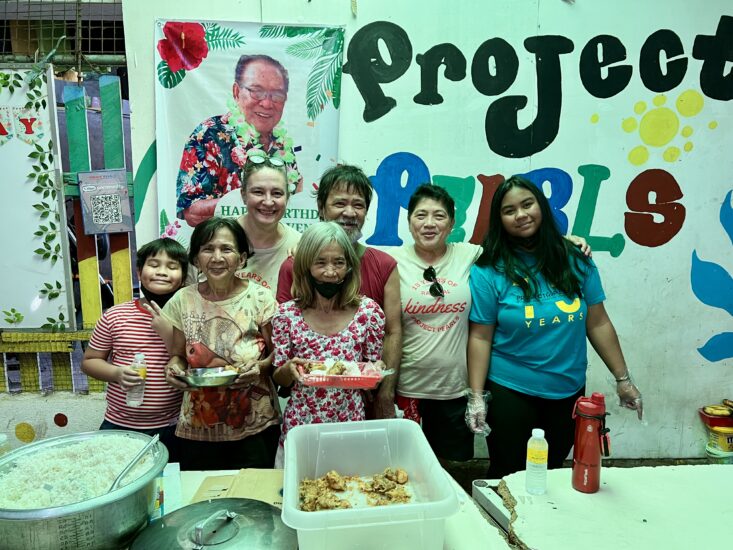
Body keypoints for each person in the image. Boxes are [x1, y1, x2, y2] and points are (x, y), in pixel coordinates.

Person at [465, 175, 643, 479]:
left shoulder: (575, 258)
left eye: (527, 204)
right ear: (499, 220)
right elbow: (481, 336)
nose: (520, 215)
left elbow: (598, 321)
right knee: (509, 473)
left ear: (542, 207)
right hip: (511, 387)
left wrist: (623, 379)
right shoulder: (488, 270)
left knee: (551, 471)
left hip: (568, 388)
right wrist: (477, 396)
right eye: (509, 210)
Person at [276, 164, 401, 419]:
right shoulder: (293, 266)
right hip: (307, 410)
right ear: (321, 208)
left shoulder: (384, 266)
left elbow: (392, 332)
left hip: (360, 405)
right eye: (340, 203)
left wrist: (385, 393)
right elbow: (283, 354)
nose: (349, 212)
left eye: (358, 205)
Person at [161, 217, 281, 470]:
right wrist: (173, 369)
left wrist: (259, 368)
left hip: (254, 426)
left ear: (242, 258)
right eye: (208, 249)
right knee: (201, 494)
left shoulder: (260, 297)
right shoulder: (183, 299)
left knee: (254, 492)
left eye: (226, 249)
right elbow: (178, 355)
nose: (217, 257)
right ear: (196, 259)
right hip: (199, 427)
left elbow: (278, 355)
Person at [271, 222, 386, 466]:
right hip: (301, 429)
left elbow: (371, 369)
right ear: (305, 266)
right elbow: (279, 377)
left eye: (339, 263)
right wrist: (289, 369)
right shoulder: (286, 315)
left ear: (349, 266)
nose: (330, 272)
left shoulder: (368, 313)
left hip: (350, 427)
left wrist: (376, 372)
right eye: (320, 262)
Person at [389, 184, 482, 464]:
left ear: (452, 224)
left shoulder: (469, 255)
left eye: (439, 216)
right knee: (405, 471)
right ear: (409, 222)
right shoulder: (391, 261)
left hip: (454, 390)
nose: (429, 223)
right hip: (407, 390)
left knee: (451, 471)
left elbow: (518, 248)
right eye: (421, 215)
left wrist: (568, 241)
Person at [82, 238, 188, 462]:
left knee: (169, 481)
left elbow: (192, 364)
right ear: (139, 272)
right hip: (119, 424)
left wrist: (168, 332)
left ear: (183, 278)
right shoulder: (115, 316)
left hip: (173, 427)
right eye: (154, 264)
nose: (162, 272)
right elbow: (89, 361)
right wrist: (116, 373)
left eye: (172, 266)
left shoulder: (188, 318)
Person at [176, 54, 303, 226]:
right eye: (256, 91)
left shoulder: (282, 145)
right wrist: (249, 201)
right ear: (236, 92)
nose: (267, 103)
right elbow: (192, 212)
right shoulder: (210, 134)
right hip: (227, 242)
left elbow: (294, 203)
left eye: (277, 95)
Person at [186, 152, 300, 293]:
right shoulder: (209, 236)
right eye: (258, 192)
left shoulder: (300, 246)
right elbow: (187, 296)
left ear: (287, 198)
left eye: (277, 193)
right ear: (243, 195)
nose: (268, 201)